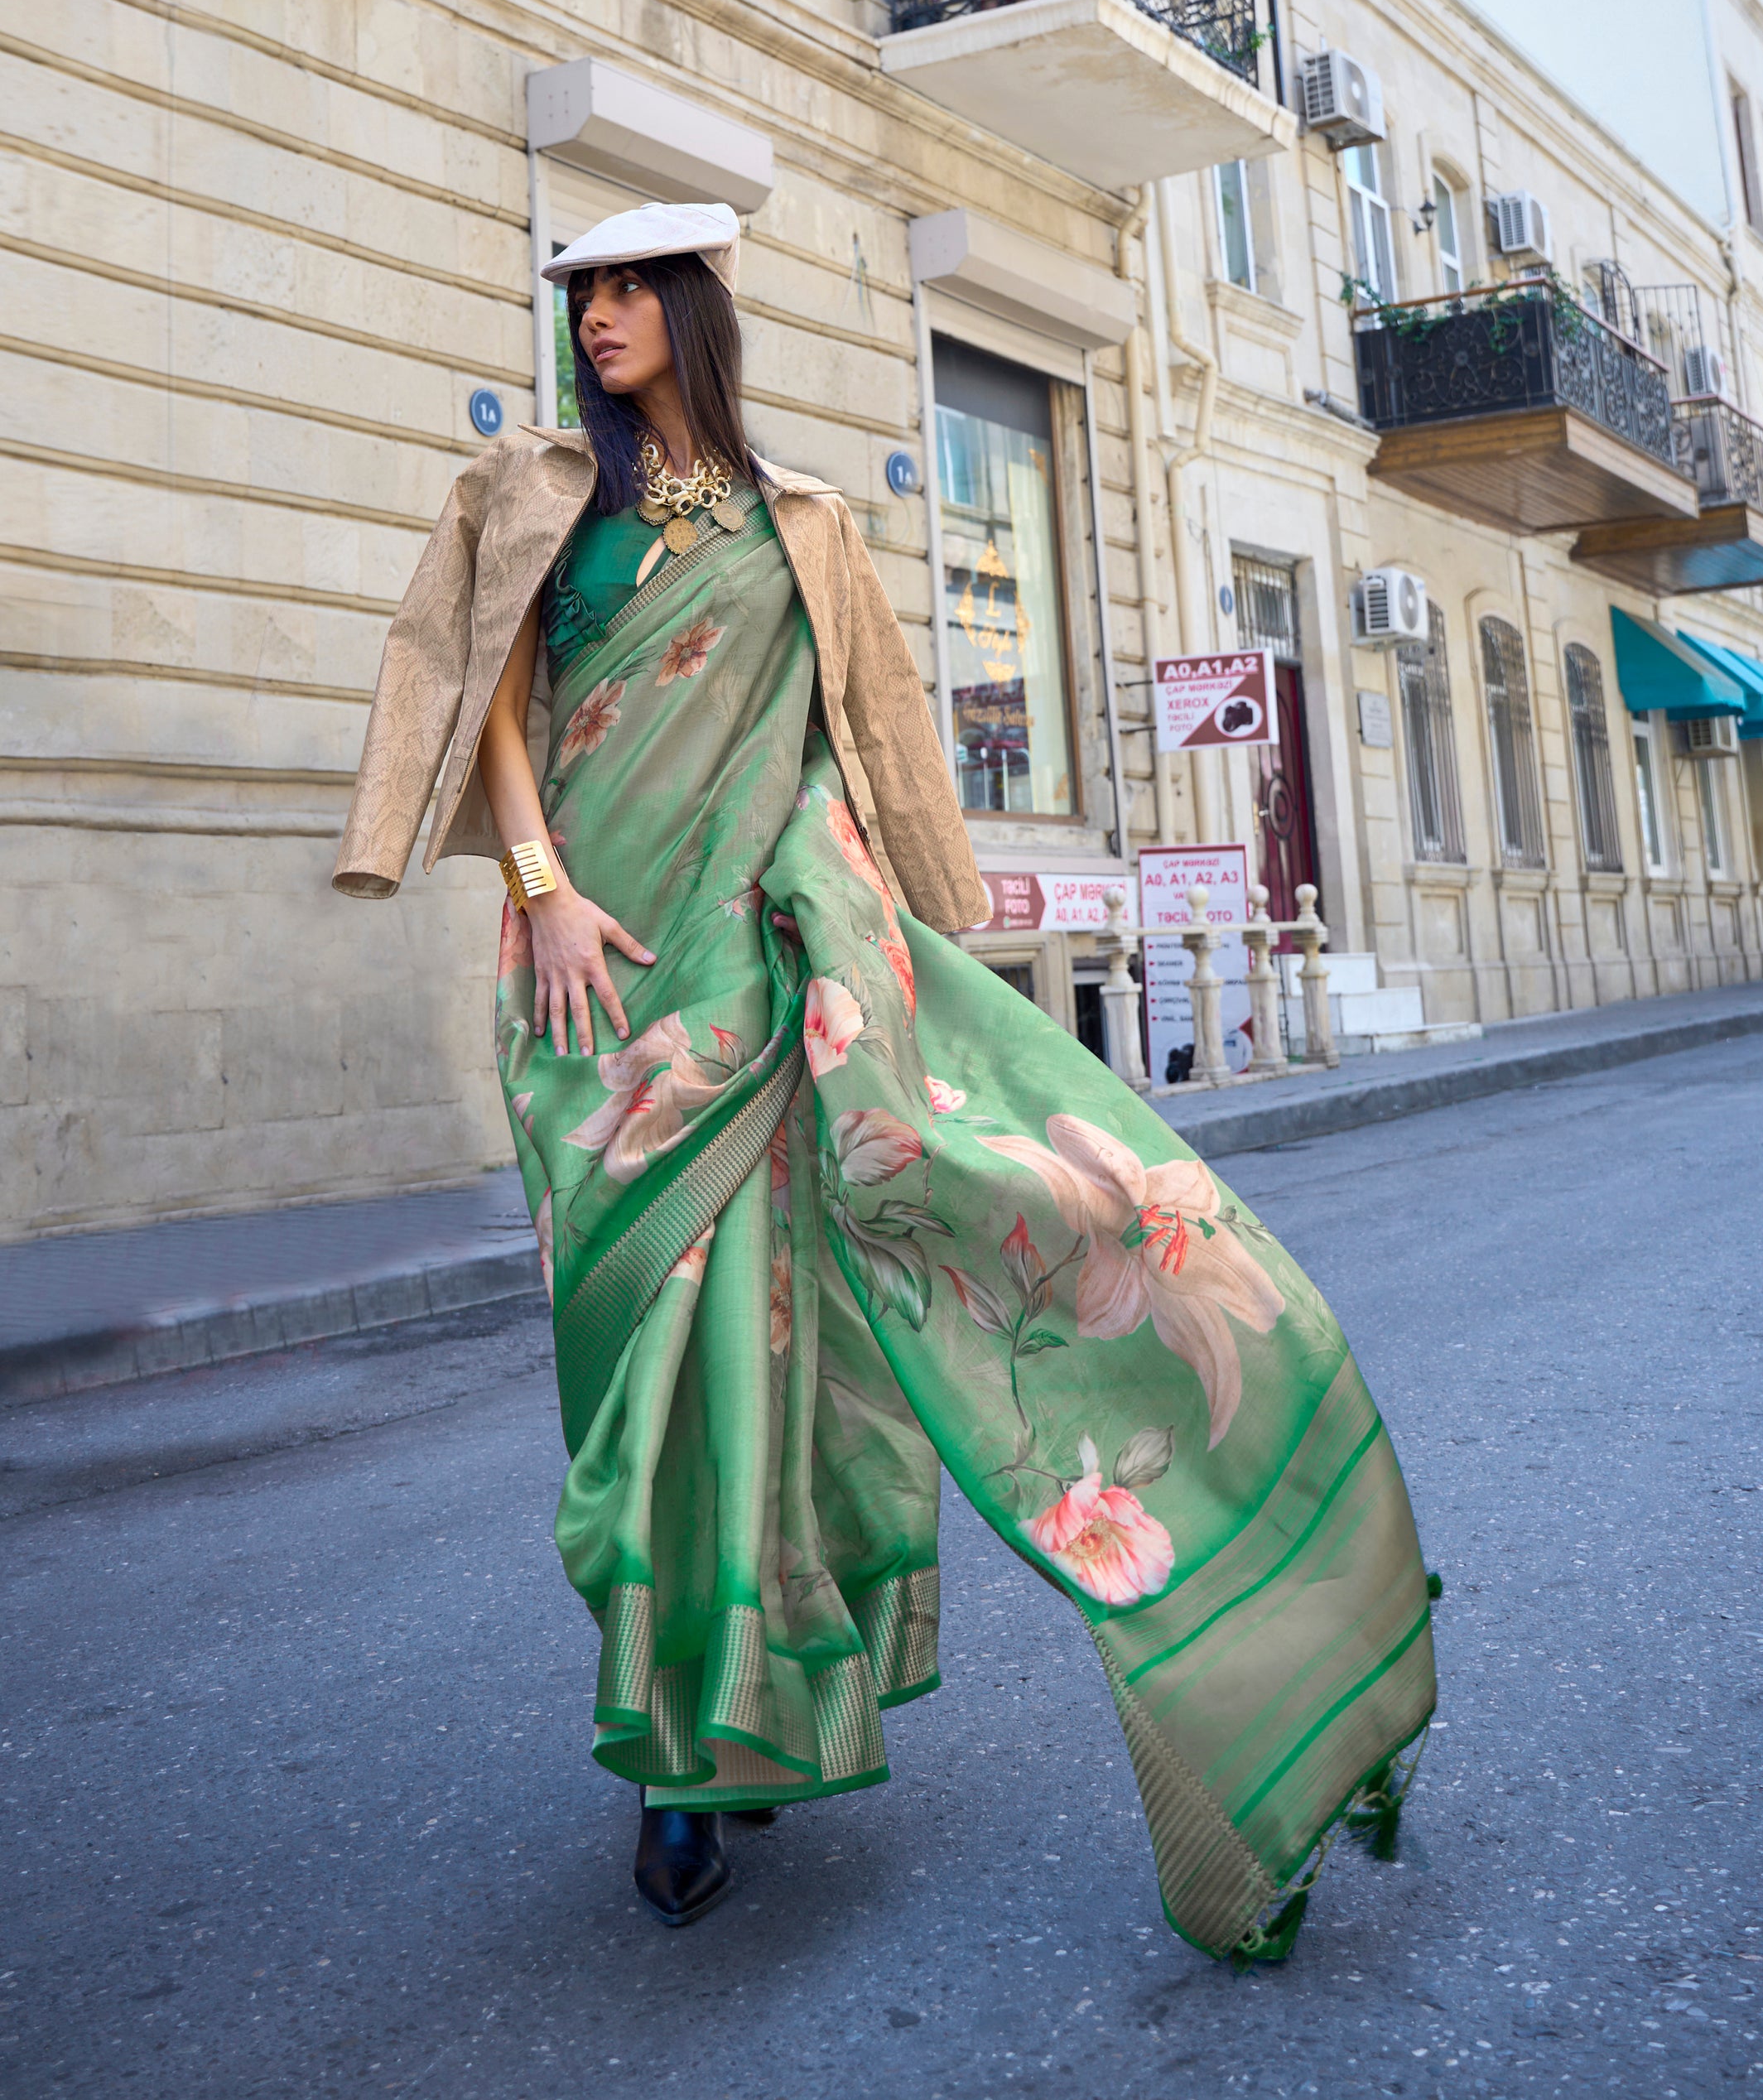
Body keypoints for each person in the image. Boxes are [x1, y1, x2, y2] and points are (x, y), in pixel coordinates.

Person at [334, 200, 1436, 1957]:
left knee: (762, 1355)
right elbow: (489, 705)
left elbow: (860, 735)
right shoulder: (534, 492)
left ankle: (696, 1755)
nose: (598, 314)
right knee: (634, 1376)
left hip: (762, 975)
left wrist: (884, 906)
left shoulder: (811, 523)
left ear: (694, 311)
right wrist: (539, 888)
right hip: (592, 990)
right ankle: (715, 1700)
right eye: (582, 290)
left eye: (629, 288)